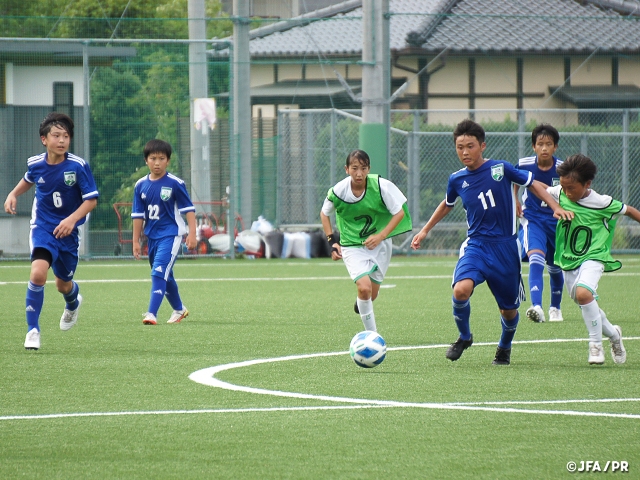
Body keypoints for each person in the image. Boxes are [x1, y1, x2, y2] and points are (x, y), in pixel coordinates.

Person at [411, 119, 573, 365]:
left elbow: (535, 185)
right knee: (460, 290)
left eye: (470, 146)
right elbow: (447, 203)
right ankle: (465, 337)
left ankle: (504, 347)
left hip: (506, 249)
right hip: (476, 245)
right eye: (460, 147)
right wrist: (424, 231)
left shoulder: (501, 168)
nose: (465, 152)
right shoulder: (456, 179)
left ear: (482, 146)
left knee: (508, 311)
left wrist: (555, 206)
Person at [4, 113, 99, 350]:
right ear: (44, 139)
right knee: (38, 274)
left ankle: (72, 302)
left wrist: (71, 220)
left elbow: (91, 201)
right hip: (43, 227)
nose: (62, 140)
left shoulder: (78, 166)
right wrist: (13, 194)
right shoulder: (36, 163)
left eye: (66, 136)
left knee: (63, 284)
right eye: (56, 135)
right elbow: (29, 179)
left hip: (67, 233)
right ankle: (32, 331)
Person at [549, 153, 638, 365]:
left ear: (587, 184)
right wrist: (555, 207)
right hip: (569, 260)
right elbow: (536, 186)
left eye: (572, 188)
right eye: (564, 188)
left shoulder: (602, 202)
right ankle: (614, 335)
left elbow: (630, 211)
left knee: (583, 293)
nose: (567, 193)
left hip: (594, 256)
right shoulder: (560, 192)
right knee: (586, 302)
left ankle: (595, 345)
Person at [320, 149, 412, 333]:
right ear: (347, 169)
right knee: (364, 288)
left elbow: (399, 212)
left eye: (363, 168)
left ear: (369, 169)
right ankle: (372, 336)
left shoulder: (380, 186)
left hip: (380, 245)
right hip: (352, 245)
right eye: (354, 168)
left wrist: (381, 236)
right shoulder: (339, 191)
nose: (359, 173)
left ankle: (362, 303)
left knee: (372, 293)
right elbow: (324, 213)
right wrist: (332, 242)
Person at [132, 139, 197, 325]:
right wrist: (136, 241)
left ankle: (151, 313)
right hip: (152, 237)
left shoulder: (175, 183)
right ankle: (179, 309)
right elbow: (137, 215)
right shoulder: (140, 186)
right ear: (146, 161)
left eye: (161, 158)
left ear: (168, 160)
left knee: (158, 272)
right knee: (165, 274)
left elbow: (189, 210)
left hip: (171, 235)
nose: (157, 162)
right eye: (153, 158)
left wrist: (191, 234)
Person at [515, 124, 565, 323]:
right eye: (540, 144)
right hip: (532, 219)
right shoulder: (524, 164)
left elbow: (569, 193)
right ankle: (537, 306)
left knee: (554, 267)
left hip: (555, 221)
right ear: (533, 146)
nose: (544, 148)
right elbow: (513, 181)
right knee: (535, 257)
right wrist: (515, 200)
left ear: (555, 147)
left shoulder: (563, 168)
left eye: (549, 144)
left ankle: (556, 307)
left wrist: (543, 189)